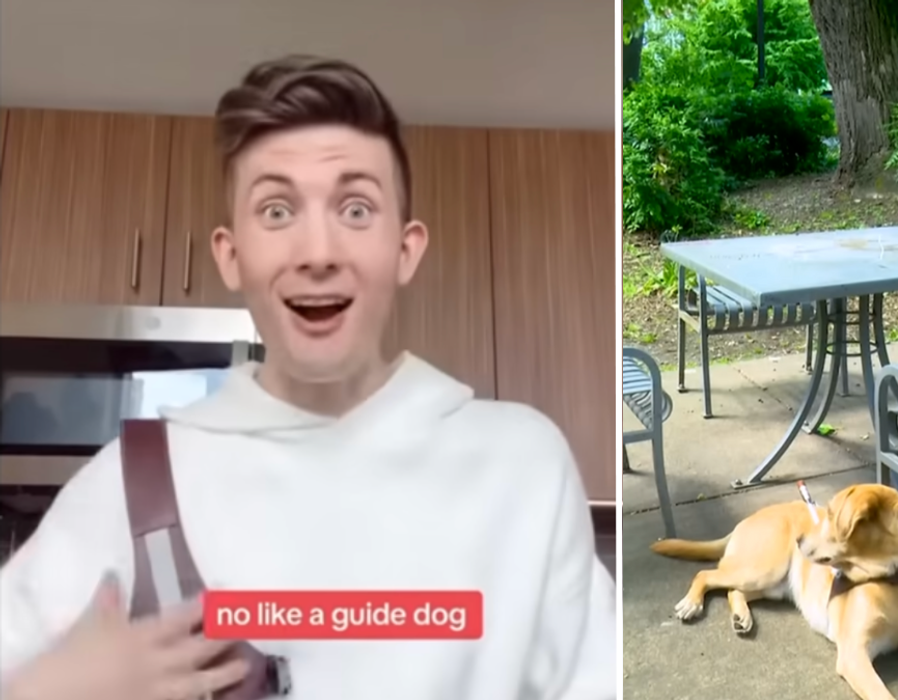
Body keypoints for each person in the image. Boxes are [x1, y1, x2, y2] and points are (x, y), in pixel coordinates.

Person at [0, 55, 617, 700]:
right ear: (231, 255)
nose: (318, 253)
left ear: (404, 250)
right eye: (275, 211)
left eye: (355, 209)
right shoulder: (131, 482)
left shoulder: (520, 464)